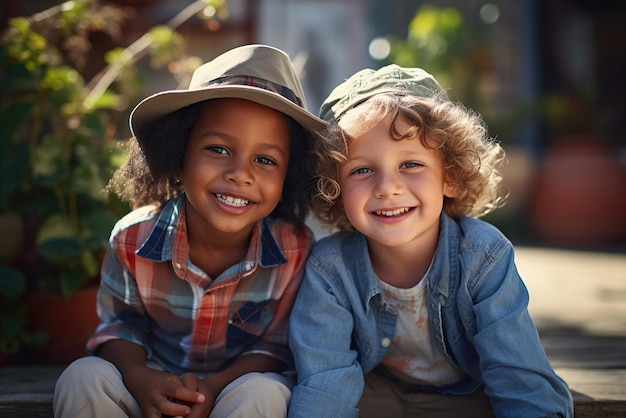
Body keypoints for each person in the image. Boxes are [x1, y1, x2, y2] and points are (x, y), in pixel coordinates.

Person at [53, 44, 326, 418]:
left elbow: (275, 347)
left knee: (267, 393)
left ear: (287, 180)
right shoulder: (133, 238)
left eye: (265, 160)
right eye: (217, 149)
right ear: (178, 157)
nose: (240, 173)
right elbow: (119, 327)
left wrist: (213, 388)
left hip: (229, 396)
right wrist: (139, 378)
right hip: (145, 390)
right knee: (82, 376)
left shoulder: (294, 250)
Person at [288, 65, 573, 418]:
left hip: (472, 390)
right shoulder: (329, 269)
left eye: (410, 164)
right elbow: (326, 380)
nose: (387, 187)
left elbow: (517, 376)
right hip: (378, 390)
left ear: (449, 177)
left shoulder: (483, 257)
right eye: (361, 170)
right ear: (335, 189)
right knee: (290, 393)